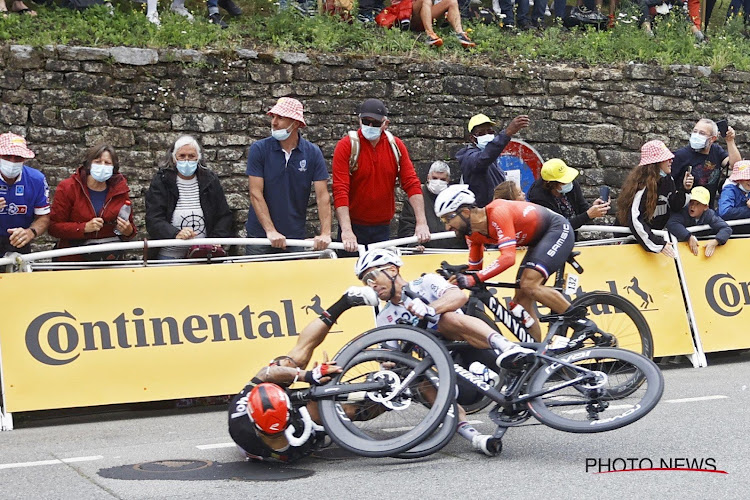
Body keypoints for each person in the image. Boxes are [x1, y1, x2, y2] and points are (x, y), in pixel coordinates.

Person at [355, 248, 533, 455]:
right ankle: (475, 437)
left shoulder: (426, 283)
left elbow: (457, 296)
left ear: (393, 270)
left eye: (372, 276)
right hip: (448, 371)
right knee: (415, 378)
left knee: (446, 319)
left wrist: (432, 309)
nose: (371, 285)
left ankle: (508, 347)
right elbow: (392, 357)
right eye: (365, 281)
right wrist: (386, 365)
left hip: (474, 349)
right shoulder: (385, 317)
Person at [229, 286, 379, 463]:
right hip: (295, 437)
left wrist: (309, 375)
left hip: (273, 417)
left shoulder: (240, 411)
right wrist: (319, 390)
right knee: (346, 410)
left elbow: (266, 373)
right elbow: (310, 418)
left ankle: (345, 301)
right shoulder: (293, 442)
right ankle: (395, 397)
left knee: (287, 363)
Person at [434, 185, 599, 343]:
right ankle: (537, 355)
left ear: (465, 212)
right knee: (520, 303)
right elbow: (475, 269)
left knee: (529, 285)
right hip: (537, 240)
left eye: (447, 218)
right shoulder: (472, 234)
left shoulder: (497, 212)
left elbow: (508, 258)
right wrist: (462, 274)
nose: (447, 226)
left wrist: (473, 279)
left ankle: (582, 324)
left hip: (557, 229)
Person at [332, 98, 430, 255]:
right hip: (353, 227)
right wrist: (347, 230)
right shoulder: (346, 146)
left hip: (382, 227)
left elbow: (411, 183)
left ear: (386, 124)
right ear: (359, 120)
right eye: (365, 121)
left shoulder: (396, 146)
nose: (370, 126)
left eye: (375, 123)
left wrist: (422, 223)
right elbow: (340, 189)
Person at [245, 97, 331, 256]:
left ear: (296, 124)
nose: (274, 122)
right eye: (273, 117)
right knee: (255, 280)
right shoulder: (259, 149)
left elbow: (322, 195)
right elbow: (255, 193)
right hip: (260, 236)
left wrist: (326, 233)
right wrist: (270, 231)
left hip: (294, 236)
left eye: (281, 117)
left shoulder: (312, 152)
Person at [145, 135, 233, 260]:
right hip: (169, 255)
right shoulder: (161, 181)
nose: (186, 160)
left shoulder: (210, 180)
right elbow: (153, 219)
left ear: (198, 158)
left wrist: (216, 239)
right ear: (174, 158)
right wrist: (175, 233)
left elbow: (224, 215)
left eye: (191, 156)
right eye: (182, 156)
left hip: (204, 255)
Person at [48, 144, 137, 262]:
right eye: (98, 162)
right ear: (89, 164)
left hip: (110, 261)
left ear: (114, 167)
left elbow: (130, 228)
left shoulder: (120, 190)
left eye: (107, 163)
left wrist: (128, 230)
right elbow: (53, 228)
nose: (103, 166)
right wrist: (83, 228)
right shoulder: (68, 188)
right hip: (75, 262)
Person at [616, 140, 692, 258]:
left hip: (652, 239)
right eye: (666, 158)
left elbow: (674, 205)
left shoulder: (667, 179)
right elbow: (635, 220)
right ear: (655, 163)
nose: (671, 160)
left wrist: (684, 189)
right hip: (631, 241)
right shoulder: (641, 185)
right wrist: (658, 244)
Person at [455, 113, 530, 208]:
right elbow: (483, 159)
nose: (487, 135)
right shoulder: (469, 157)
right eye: (481, 133)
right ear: (472, 138)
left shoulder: (491, 159)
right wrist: (507, 133)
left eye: (490, 132)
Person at [527, 158, 610, 235]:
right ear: (552, 184)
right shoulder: (538, 198)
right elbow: (558, 227)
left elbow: (582, 210)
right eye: (564, 182)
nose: (569, 183)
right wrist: (588, 215)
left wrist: (595, 209)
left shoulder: (572, 184)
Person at [397, 160, 467, 251]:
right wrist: (414, 245)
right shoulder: (417, 199)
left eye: (442, 179)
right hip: (425, 252)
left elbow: (466, 224)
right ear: (428, 178)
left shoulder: (457, 198)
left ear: (448, 180)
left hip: (453, 251)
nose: (438, 182)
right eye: (434, 178)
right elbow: (406, 226)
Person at [672, 118, 741, 209]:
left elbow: (736, 166)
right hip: (685, 209)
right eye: (695, 131)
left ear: (713, 139)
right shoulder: (680, 155)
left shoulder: (716, 151)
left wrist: (730, 141)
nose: (697, 135)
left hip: (707, 209)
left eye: (702, 133)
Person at [0, 132, 50, 257]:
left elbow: (44, 216)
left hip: (19, 241)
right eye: (7, 156)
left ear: (25, 159)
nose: (12, 161)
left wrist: (31, 232)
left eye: (18, 157)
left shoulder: (36, 179)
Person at [666, 186, 731, 257]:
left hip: (700, 251)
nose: (692, 206)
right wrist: (689, 237)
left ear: (705, 207)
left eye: (698, 204)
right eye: (691, 202)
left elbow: (726, 229)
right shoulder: (683, 210)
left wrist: (716, 241)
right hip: (679, 250)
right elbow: (672, 223)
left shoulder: (709, 214)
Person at [410, 0, 476, 48]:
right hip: (410, 14)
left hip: (426, 13)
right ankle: (430, 34)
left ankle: (460, 34)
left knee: (452, 2)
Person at [718, 160, 750, 233]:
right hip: (728, 231)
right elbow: (724, 212)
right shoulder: (729, 190)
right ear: (738, 179)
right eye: (747, 178)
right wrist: (747, 209)